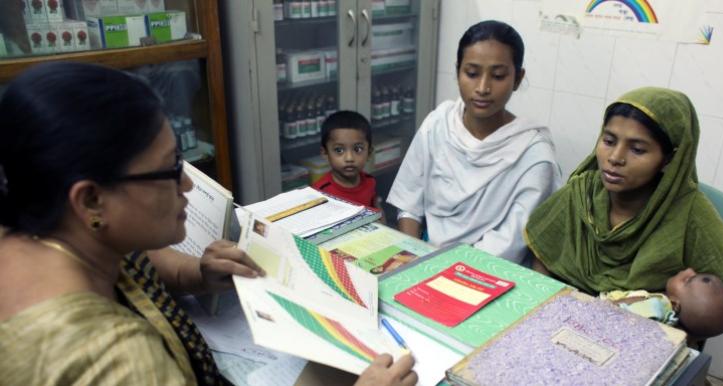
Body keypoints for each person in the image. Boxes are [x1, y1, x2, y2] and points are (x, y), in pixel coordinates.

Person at [0, 62, 416, 386]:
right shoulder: (120, 363)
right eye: (169, 169)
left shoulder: (51, 232)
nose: (185, 183)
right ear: (91, 199)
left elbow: (137, 260)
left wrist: (194, 272)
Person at [525, 86, 723, 336]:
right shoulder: (581, 193)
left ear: (669, 159)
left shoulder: (691, 214)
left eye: (637, 149)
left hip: (637, 336)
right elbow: (543, 252)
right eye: (609, 140)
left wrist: (666, 317)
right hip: (561, 318)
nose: (615, 157)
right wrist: (553, 307)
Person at [387, 20, 560, 263]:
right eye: (472, 73)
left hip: (490, 272)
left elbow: (509, 243)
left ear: (518, 79)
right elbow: (409, 204)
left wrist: (441, 272)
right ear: (458, 71)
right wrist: (414, 257)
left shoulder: (534, 155)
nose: (482, 87)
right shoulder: (438, 125)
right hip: (424, 258)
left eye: (498, 76)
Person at [601, 268, 723, 338]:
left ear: (675, 303)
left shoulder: (657, 306)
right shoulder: (673, 322)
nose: (689, 270)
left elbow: (617, 311)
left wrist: (610, 303)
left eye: (687, 281)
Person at [313, 110, 378, 209]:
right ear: (325, 153)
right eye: (339, 150)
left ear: (369, 152)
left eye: (358, 149)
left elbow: (377, 211)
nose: (349, 158)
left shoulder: (370, 181)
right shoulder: (320, 192)